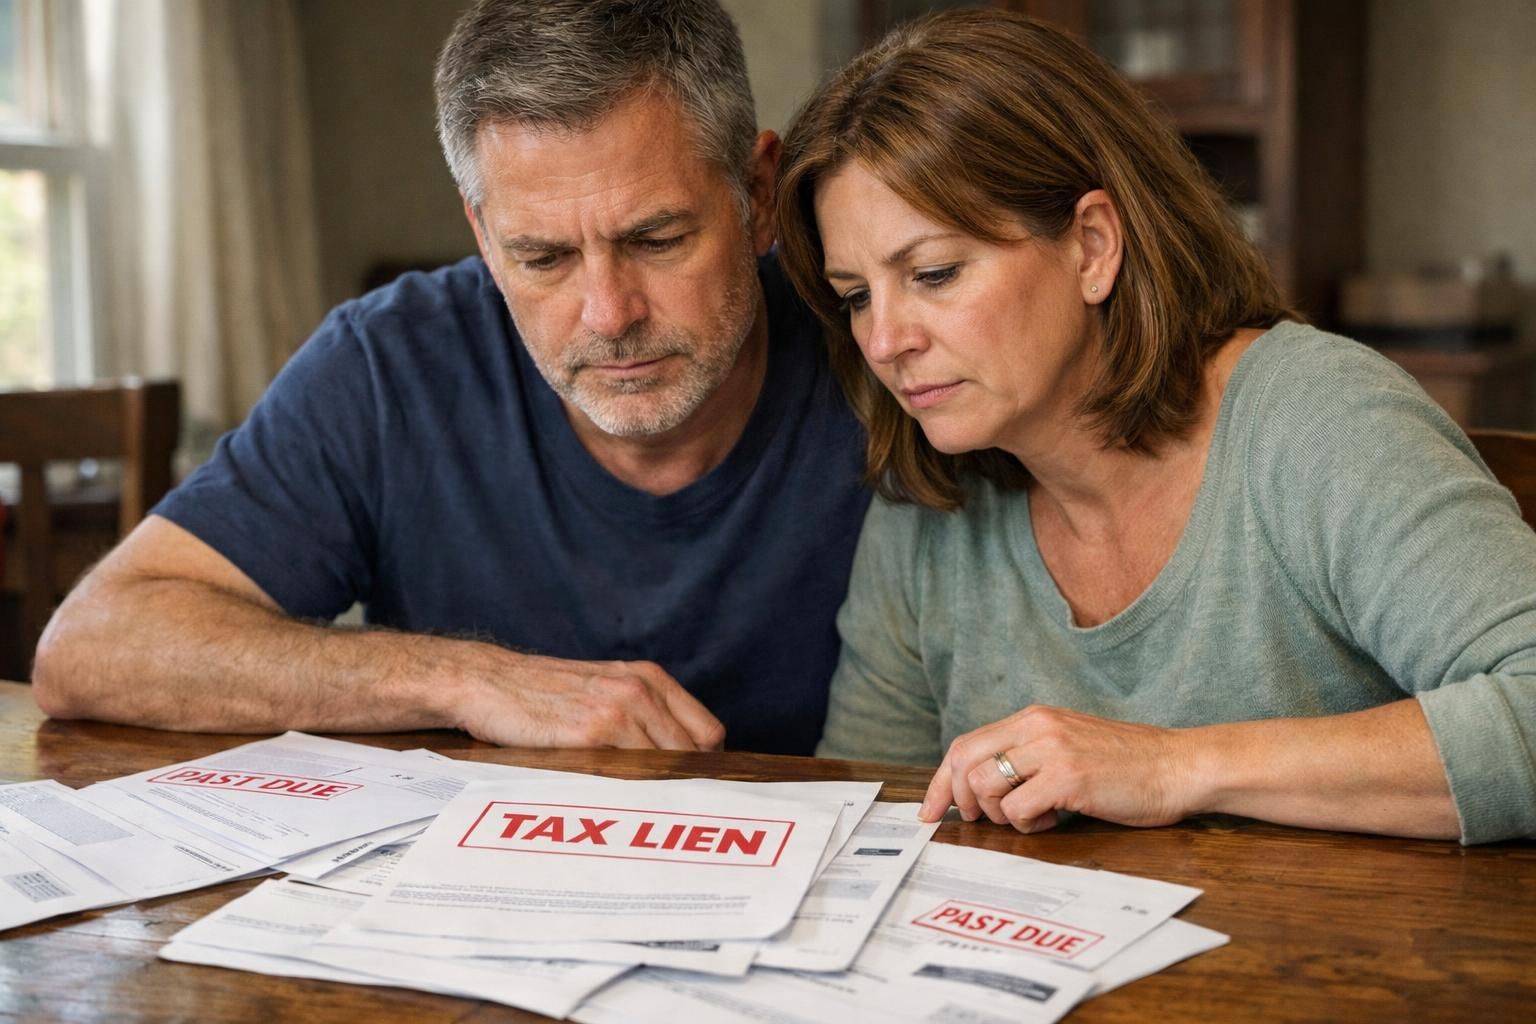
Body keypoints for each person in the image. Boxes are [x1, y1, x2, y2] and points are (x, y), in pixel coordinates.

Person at [775, 9, 1536, 843]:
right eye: (855, 296)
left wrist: (1173, 765)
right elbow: (873, 822)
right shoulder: (926, 500)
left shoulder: (1315, 418)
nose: (885, 342)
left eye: (934, 273)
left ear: (1093, 247)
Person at [31, 0, 870, 755]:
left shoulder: (881, 343)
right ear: (481, 233)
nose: (609, 314)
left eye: (657, 241)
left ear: (757, 194)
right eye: (541, 257)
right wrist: (466, 680)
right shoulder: (390, 361)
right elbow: (93, 646)